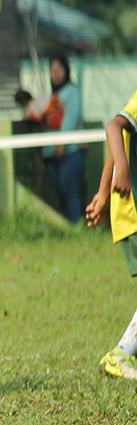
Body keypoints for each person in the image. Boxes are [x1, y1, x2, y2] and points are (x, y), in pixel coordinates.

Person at [85, 88, 137, 380]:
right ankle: (120, 354)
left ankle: (120, 353)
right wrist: (124, 173)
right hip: (133, 212)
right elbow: (113, 128)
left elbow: (122, 140)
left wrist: (103, 192)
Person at [42, 51, 86, 224]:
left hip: (71, 150)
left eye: (59, 69)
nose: (56, 73)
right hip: (51, 152)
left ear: (66, 70)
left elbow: (70, 118)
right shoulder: (50, 96)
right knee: (60, 190)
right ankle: (64, 226)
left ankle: (74, 226)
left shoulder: (73, 92)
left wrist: (61, 143)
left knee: (69, 188)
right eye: (53, 69)